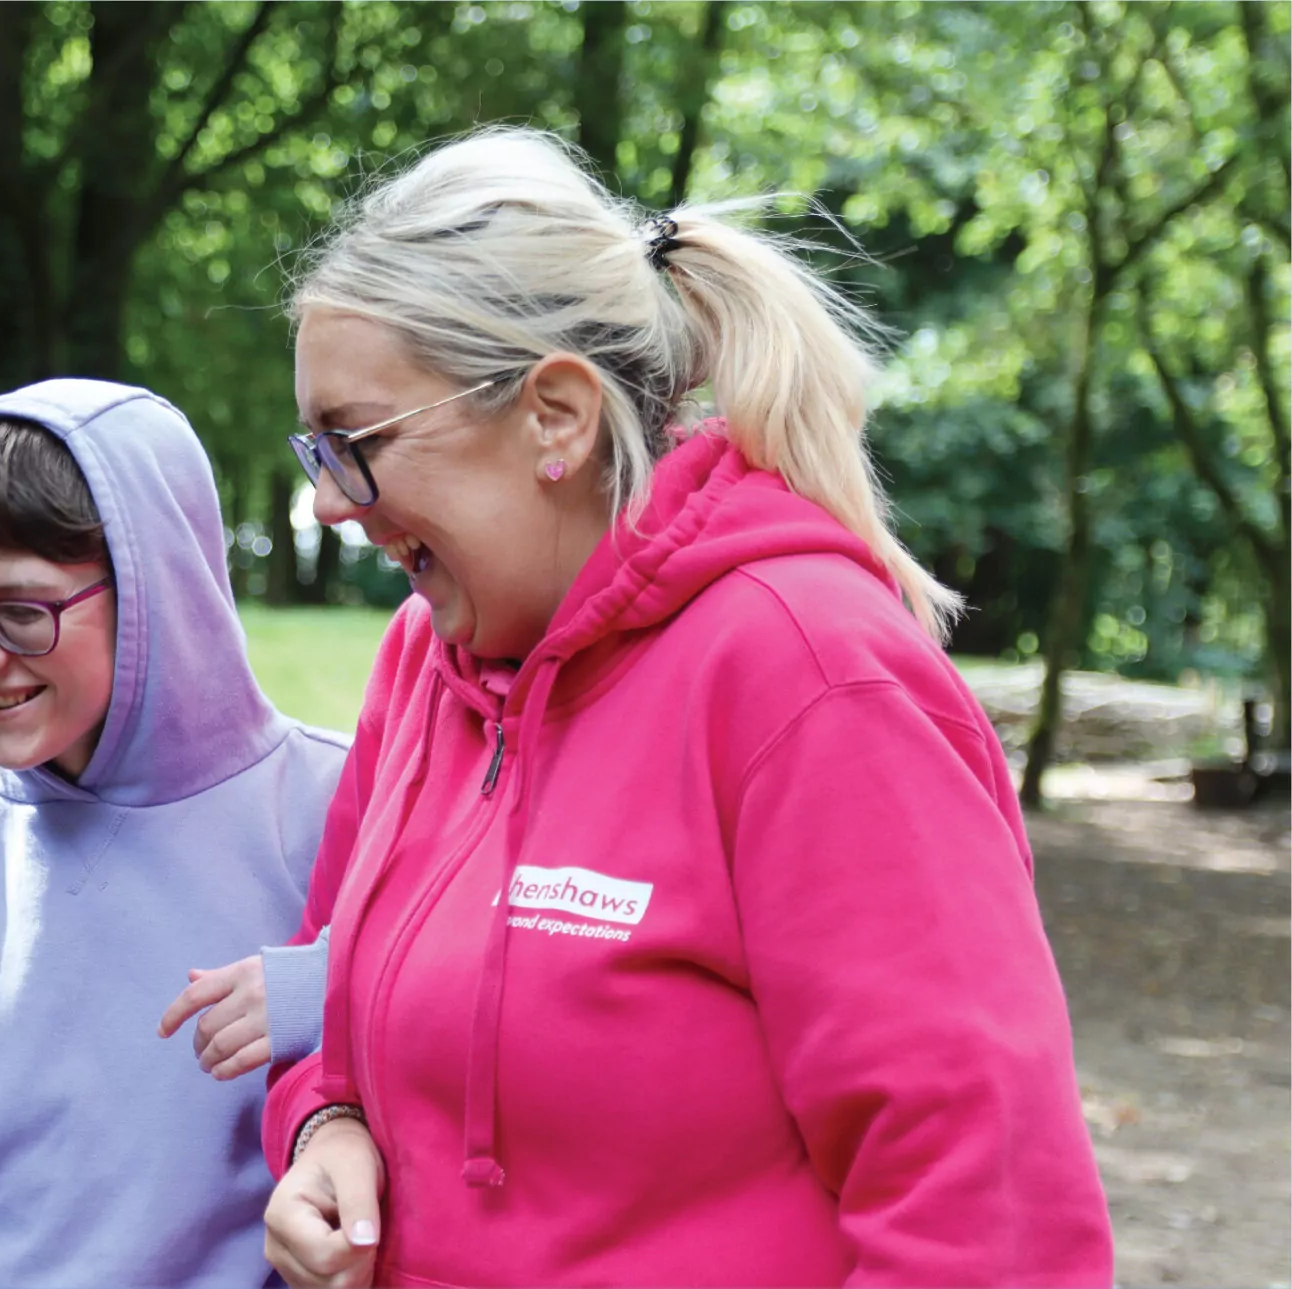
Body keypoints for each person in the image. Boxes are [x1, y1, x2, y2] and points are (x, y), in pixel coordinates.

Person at [257, 129, 1114, 1286]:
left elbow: (985, 1215)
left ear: (555, 415)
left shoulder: (807, 672)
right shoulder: (422, 659)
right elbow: (332, 1007)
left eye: (355, 442)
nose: (325, 502)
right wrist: (322, 1125)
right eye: (314, 447)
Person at [0, 380, 347, 1287]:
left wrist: (327, 990)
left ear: (156, 586)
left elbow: (480, 1035)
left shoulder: (347, 811)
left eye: (21, 611)